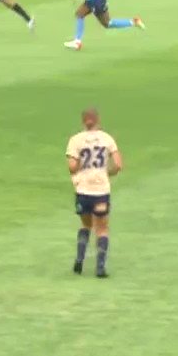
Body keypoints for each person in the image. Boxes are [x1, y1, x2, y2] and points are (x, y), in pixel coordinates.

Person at [66, 106, 122, 278]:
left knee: (86, 225)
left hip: (83, 190)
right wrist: (106, 173)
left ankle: (79, 260)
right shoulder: (107, 138)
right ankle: (100, 268)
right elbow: (118, 165)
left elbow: (72, 167)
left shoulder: (76, 140)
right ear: (97, 120)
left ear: (83, 121)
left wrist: (84, 164)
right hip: (100, 190)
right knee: (102, 229)